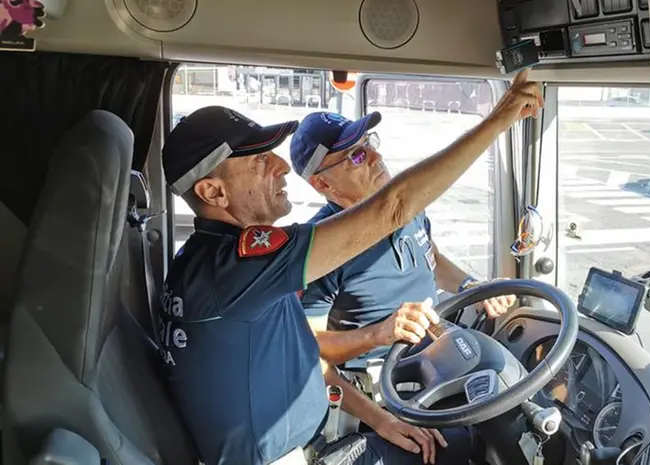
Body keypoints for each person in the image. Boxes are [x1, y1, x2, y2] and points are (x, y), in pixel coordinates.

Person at [159, 70, 543, 465]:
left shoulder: (217, 262)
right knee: (471, 446)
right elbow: (394, 207)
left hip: (316, 438)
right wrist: (501, 118)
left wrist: (380, 420)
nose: (281, 166)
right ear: (213, 192)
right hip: (293, 455)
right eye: (260, 160)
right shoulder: (238, 265)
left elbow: (306, 354)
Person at [290, 110, 517, 367]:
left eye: (369, 144)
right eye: (357, 156)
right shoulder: (319, 245)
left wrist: (472, 287)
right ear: (322, 184)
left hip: (436, 356)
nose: (377, 157)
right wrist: (378, 334)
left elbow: (432, 260)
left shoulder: (407, 207)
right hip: (377, 380)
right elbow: (309, 342)